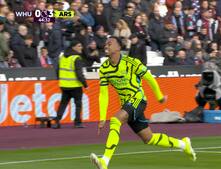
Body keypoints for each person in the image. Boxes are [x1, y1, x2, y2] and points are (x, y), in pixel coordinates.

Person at [90, 36, 196, 169]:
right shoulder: (104, 69)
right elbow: (103, 94)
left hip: (138, 100)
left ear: (118, 47)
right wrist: (101, 117)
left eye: (109, 44)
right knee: (148, 138)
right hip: (127, 104)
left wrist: (159, 97)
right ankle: (183, 144)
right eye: (105, 44)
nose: (106, 46)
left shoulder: (131, 63)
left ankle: (105, 160)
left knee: (115, 120)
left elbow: (149, 77)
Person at [53, 40, 88, 129]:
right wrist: (85, 84)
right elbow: (79, 73)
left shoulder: (63, 57)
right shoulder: (76, 58)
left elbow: (57, 70)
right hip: (75, 85)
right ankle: (77, 122)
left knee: (63, 104)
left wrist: (60, 79)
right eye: (79, 46)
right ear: (74, 47)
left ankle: (57, 122)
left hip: (64, 85)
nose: (81, 48)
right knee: (78, 104)